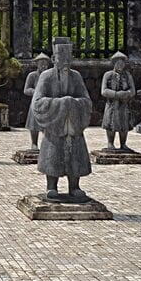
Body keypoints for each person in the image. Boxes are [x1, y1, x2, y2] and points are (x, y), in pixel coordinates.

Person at [31, 37, 92, 202]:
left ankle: (75, 186)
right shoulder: (46, 76)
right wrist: (61, 103)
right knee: (53, 153)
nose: (65, 62)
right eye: (61, 58)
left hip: (72, 124)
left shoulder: (76, 76)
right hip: (55, 124)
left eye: (68, 58)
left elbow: (86, 100)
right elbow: (37, 102)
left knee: (75, 155)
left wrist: (73, 104)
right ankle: (52, 186)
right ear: (54, 59)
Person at [100, 51, 136, 150]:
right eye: (118, 63)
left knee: (124, 124)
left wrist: (127, 94)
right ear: (114, 63)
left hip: (124, 104)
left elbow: (133, 90)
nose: (121, 65)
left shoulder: (127, 75)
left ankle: (123, 144)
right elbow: (103, 91)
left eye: (122, 63)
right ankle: (110, 143)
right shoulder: (108, 75)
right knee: (111, 123)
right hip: (112, 104)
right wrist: (115, 94)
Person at [23, 53, 51, 150]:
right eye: (41, 63)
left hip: (47, 102)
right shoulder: (32, 76)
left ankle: (47, 142)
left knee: (48, 124)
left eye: (45, 63)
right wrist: (36, 92)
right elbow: (26, 90)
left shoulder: (50, 76)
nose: (43, 65)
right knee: (33, 124)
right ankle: (34, 143)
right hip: (36, 102)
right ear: (37, 64)